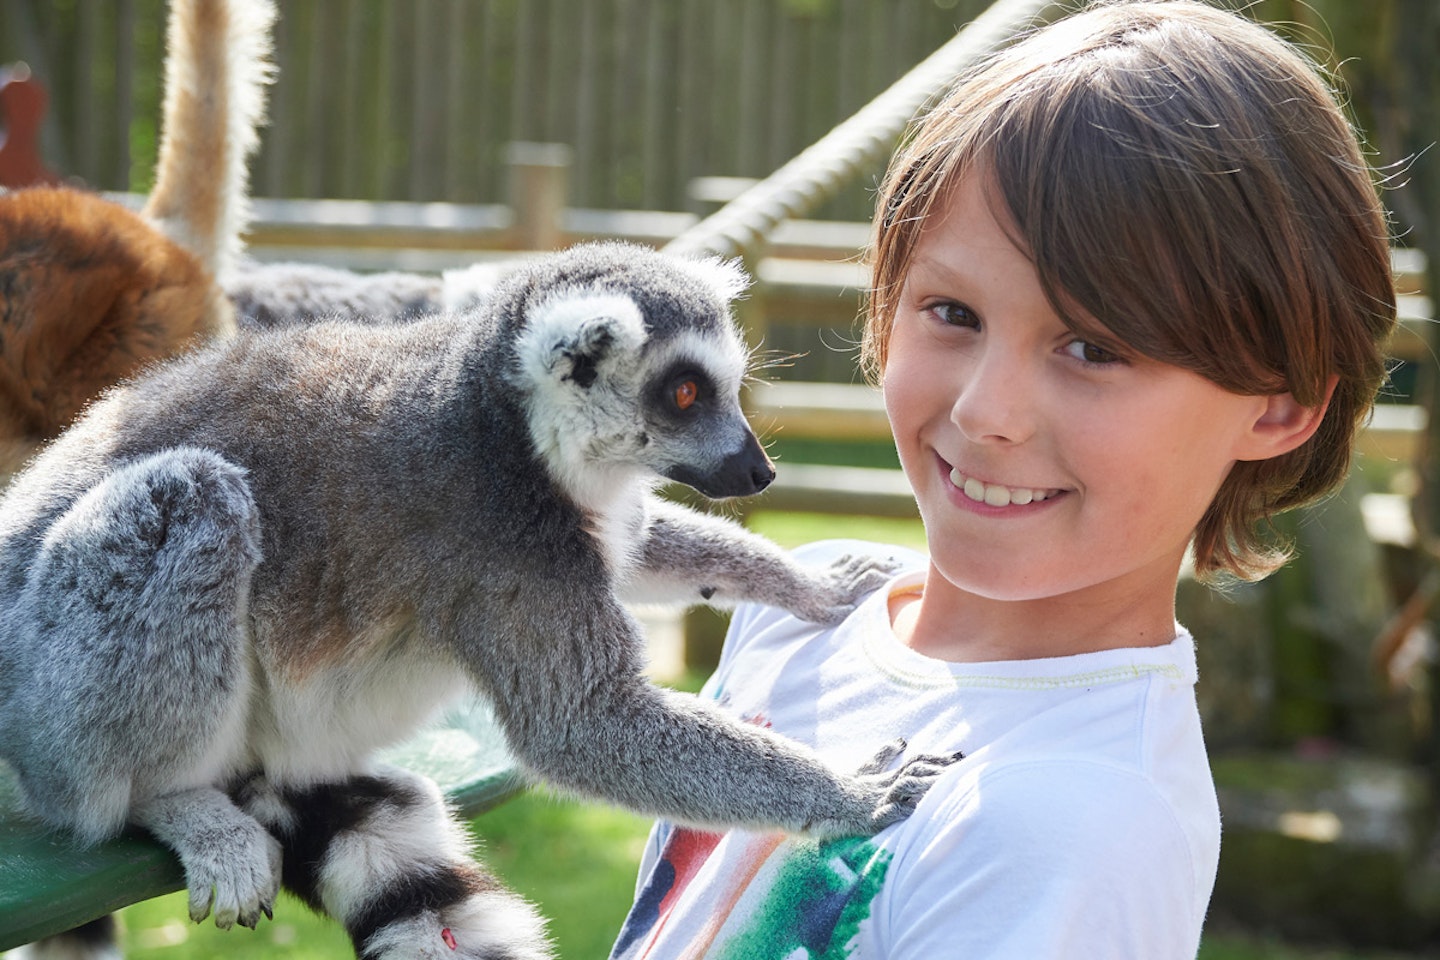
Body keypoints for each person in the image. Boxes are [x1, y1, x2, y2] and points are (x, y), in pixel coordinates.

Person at [609, 1, 1397, 957]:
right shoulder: (799, 611)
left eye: (1092, 348)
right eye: (953, 311)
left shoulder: (1069, 824)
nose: (988, 410)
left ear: (1275, 406)